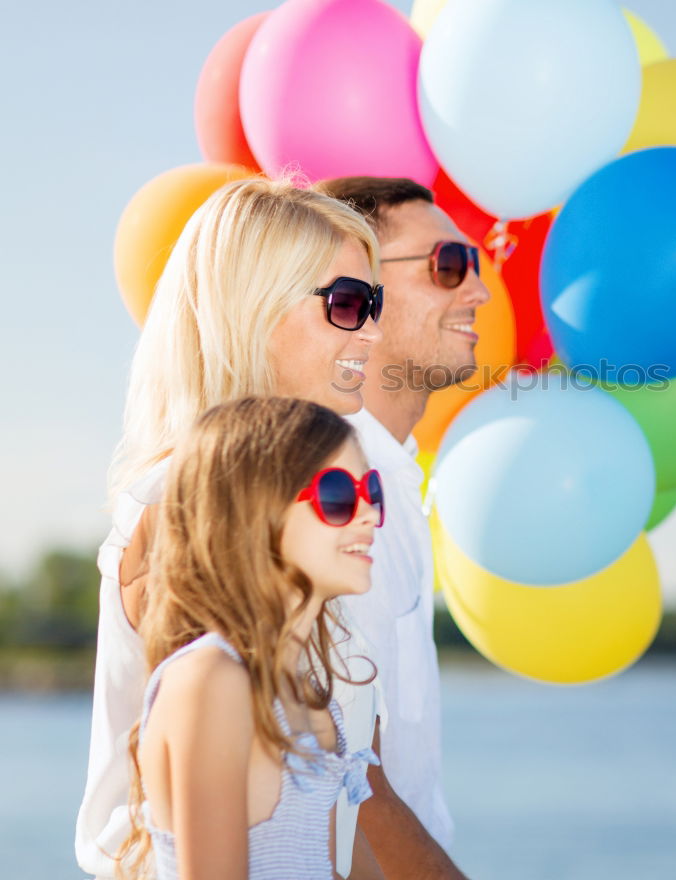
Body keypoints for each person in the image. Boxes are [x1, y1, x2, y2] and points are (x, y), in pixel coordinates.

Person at [77, 179, 461, 879]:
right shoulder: (180, 511)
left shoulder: (311, 506)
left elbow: (332, 816)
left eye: (372, 305)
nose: (371, 332)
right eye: (346, 305)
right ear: (251, 312)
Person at [118, 396, 385, 880]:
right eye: (339, 495)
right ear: (253, 514)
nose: (368, 514)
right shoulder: (210, 680)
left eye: (374, 490)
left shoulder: (309, 701)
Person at [312, 178, 489, 863]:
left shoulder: (392, 476)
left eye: (472, 267)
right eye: (447, 265)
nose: (477, 291)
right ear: (357, 288)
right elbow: (341, 772)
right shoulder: (334, 486)